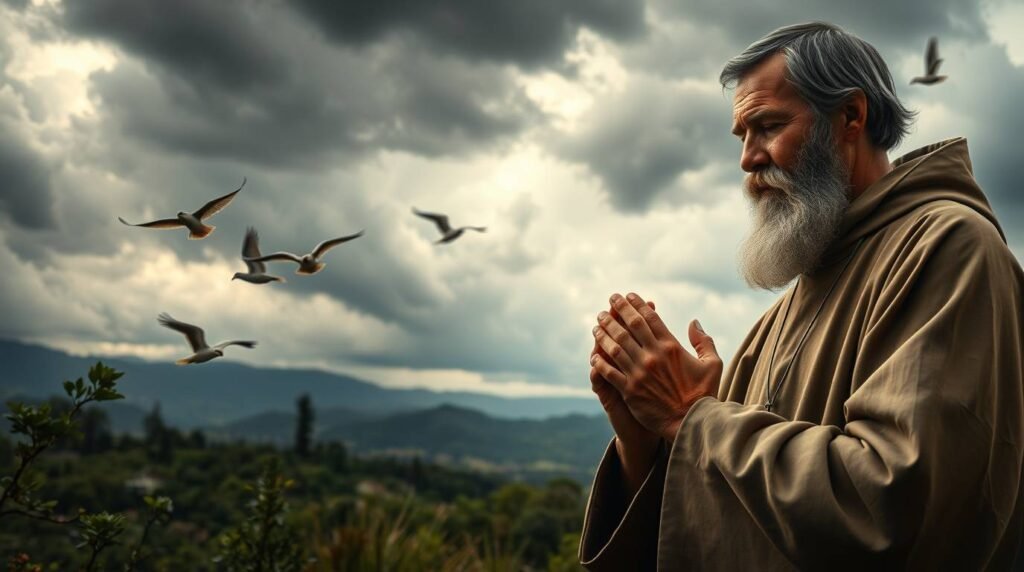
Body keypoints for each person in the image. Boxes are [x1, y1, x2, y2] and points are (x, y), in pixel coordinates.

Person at [580, 21, 1024, 571]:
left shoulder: (949, 248)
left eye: (767, 126)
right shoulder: (783, 312)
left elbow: (892, 507)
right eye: (741, 136)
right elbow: (718, 510)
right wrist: (643, 442)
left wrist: (688, 413)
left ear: (851, 117)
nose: (747, 159)